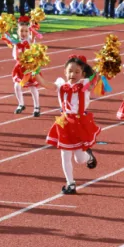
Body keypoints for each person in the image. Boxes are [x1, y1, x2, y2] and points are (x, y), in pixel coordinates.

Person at [46, 55, 101, 195]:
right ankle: (70, 183)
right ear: (65, 72)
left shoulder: (84, 85)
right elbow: (46, 85)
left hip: (79, 123)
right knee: (65, 154)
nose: (73, 74)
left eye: (77, 72)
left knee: (79, 159)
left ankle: (89, 157)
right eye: (70, 71)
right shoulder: (60, 85)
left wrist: (101, 67)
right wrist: (35, 73)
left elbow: (95, 80)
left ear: (82, 74)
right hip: (64, 123)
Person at [8, 16, 43, 116]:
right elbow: (9, 39)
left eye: (26, 31)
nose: (23, 33)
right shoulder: (16, 41)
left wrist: (33, 28)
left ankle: (36, 107)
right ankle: (21, 104)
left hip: (30, 68)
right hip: (20, 67)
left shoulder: (30, 40)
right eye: (21, 31)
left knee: (32, 87)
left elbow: (33, 39)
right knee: (17, 86)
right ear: (18, 32)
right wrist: (4, 30)